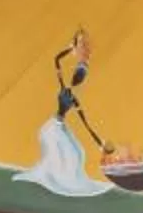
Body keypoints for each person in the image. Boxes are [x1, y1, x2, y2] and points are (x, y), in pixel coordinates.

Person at [15, 31, 116, 197]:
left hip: (58, 126)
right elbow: (56, 60)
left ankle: (62, 176)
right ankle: (59, 178)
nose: (79, 80)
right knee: (74, 155)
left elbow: (85, 122)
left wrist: (100, 144)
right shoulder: (66, 91)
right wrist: (71, 48)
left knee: (78, 153)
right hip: (53, 128)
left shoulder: (73, 97)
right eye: (80, 76)